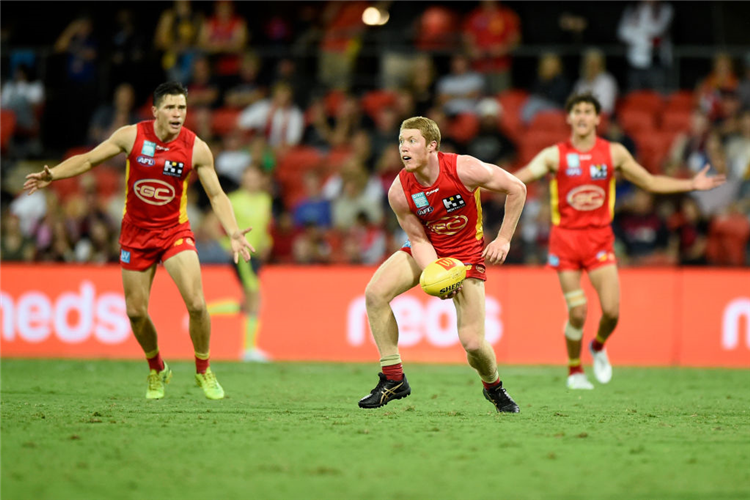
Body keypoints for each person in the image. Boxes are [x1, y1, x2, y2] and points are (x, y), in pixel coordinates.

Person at [23, 82, 255, 400]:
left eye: (182, 108)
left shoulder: (196, 147)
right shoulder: (131, 135)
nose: (177, 114)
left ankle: (204, 370)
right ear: (156, 110)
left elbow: (216, 194)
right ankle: (157, 368)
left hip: (174, 232)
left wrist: (232, 231)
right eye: (171, 108)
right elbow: (90, 160)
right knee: (135, 313)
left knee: (198, 305)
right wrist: (54, 175)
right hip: (136, 234)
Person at [513, 92, 725, 390]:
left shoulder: (613, 153)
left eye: (589, 111)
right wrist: (484, 178)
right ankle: (575, 371)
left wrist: (690, 183)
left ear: (598, 119)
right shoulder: (554, 155)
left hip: (599, 240)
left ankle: (597, 346)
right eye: (578, 111)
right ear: (570, 117)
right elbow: (520, 178)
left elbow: (649, 181)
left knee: (611, 312)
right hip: (566, 241)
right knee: (577, 311)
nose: (583, 116)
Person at [358, 116, 527, 413]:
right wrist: (436, 273)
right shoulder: (399, 191)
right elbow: (418, 239)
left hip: (467, 253)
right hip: (429, 248)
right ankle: (393, 378)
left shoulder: (464, 168)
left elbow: (517, 188)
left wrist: (503, 239)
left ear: (432, 146)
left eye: (412, 141)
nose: (404, 148)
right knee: (375, 294)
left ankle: (494, 387)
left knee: (473, 344)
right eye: (401, 142)